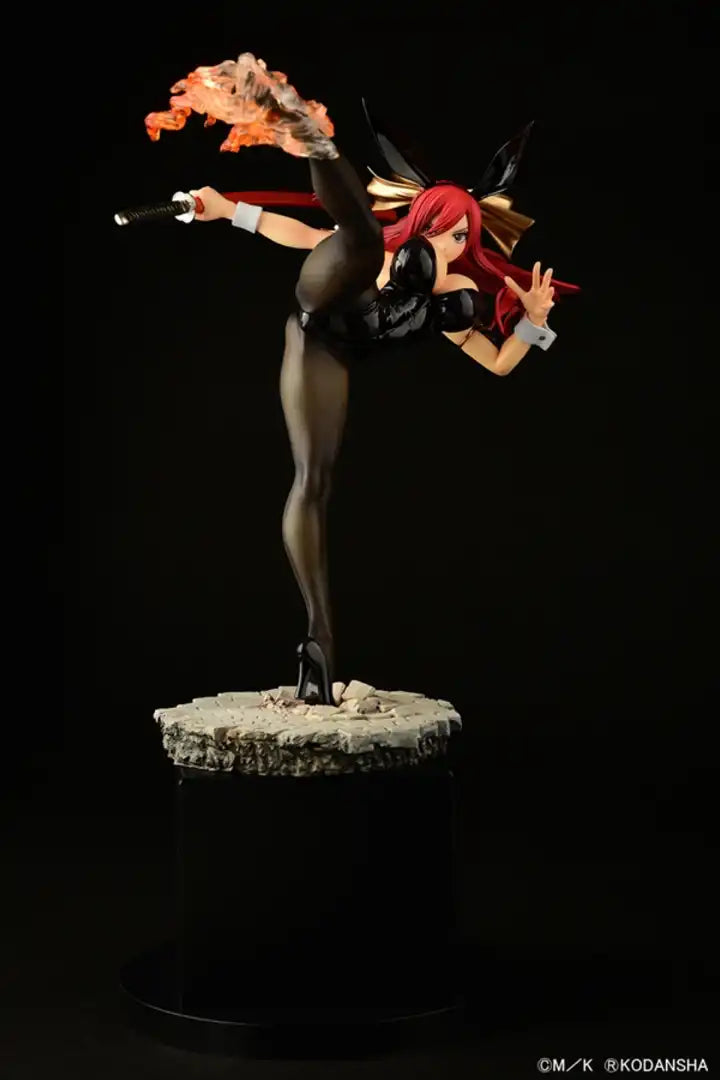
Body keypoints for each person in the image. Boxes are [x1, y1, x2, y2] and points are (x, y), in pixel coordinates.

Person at [145, 52, 579, 704]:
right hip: (326, 301)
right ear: (423, 220)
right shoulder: (386, 249)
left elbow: (496, 363)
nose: (451, 245)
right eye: (443, 229)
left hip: (332, 353)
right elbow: (303, 236)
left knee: (314, 481)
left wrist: (534, 324)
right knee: (362, 238)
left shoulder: (455, 297)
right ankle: (308, 134)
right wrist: (229, 210)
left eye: (462, 236)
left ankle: (317, 642)